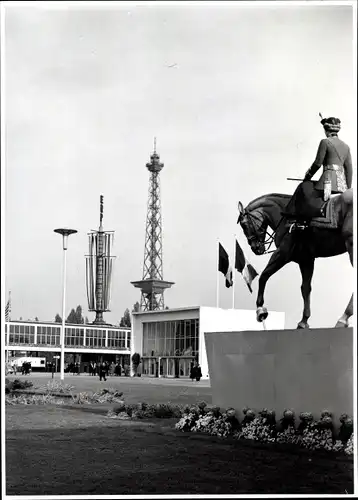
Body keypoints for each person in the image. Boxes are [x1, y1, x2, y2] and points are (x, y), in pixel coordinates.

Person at [304, 115, 352, 201]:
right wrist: (347, 189)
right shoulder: (346, 146)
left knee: (305, 194)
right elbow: (349, 170)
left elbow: (318, 163)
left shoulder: (325, 142)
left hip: (327, 184)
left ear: (326, 131)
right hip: (342, 186)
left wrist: (307, 177)